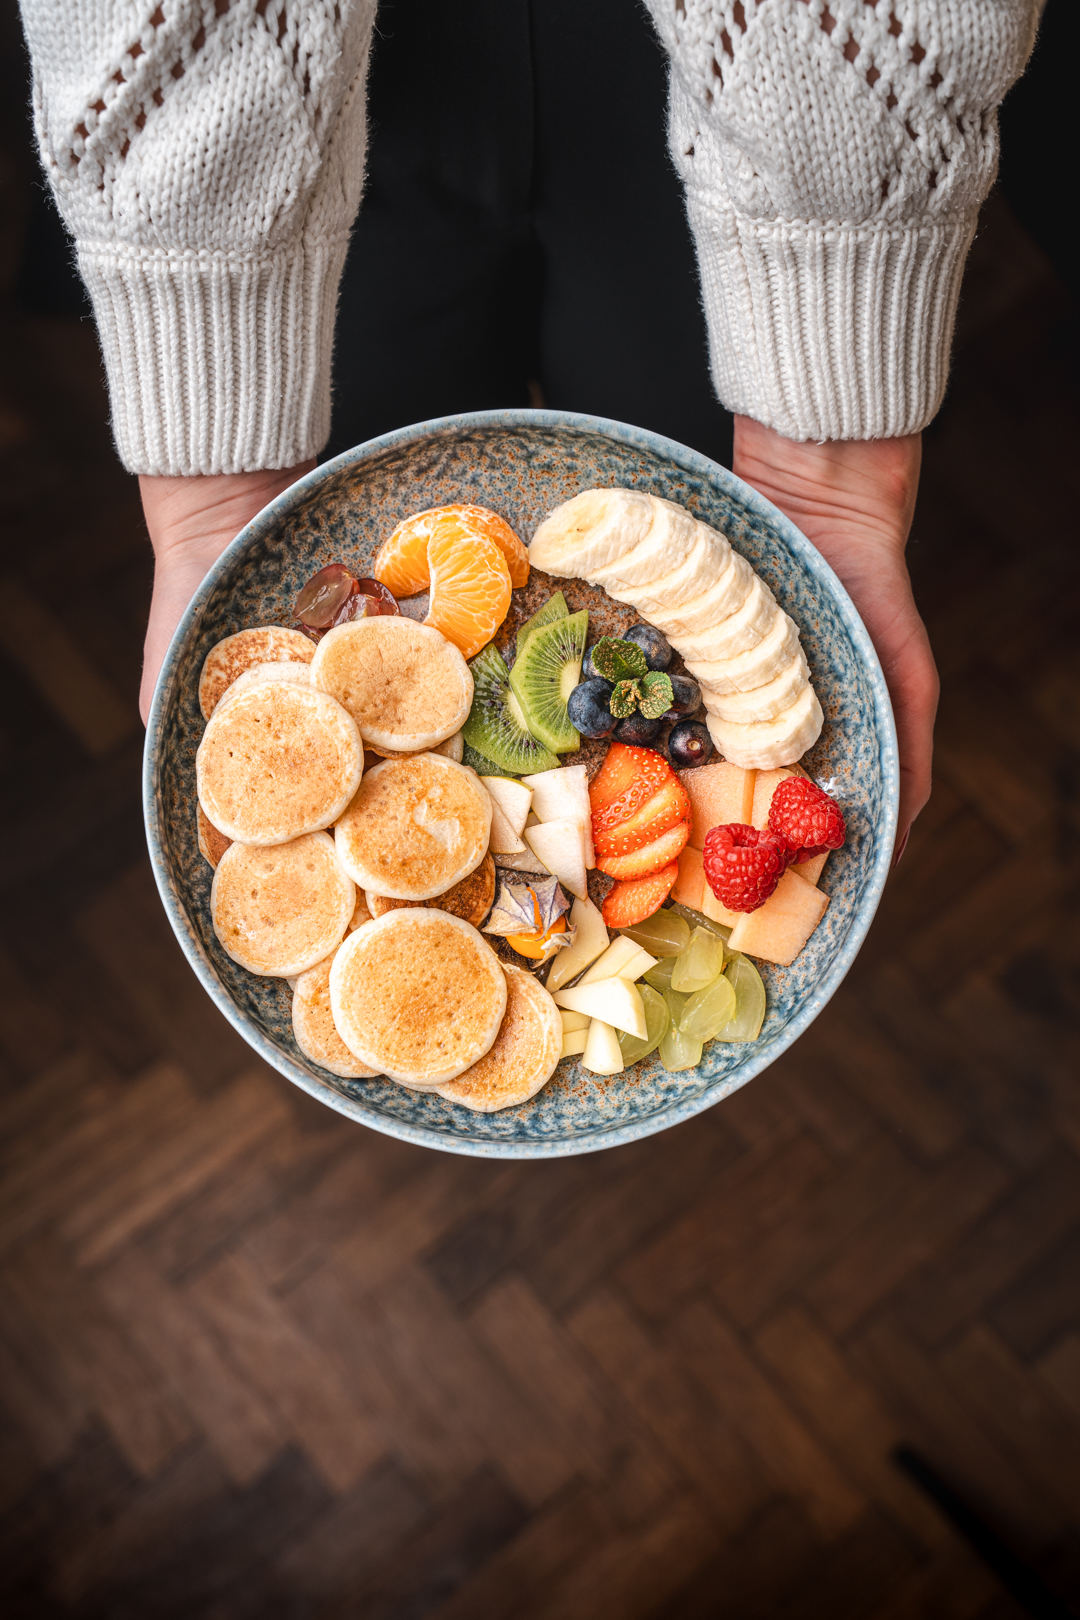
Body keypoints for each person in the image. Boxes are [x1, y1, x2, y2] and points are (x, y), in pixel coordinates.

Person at [21, 0, 1038, 858]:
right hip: (282, 78)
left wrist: (832, 464)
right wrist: (215, 488)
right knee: (382, 597)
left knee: (722, 535)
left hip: (757, 60)